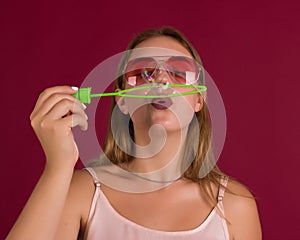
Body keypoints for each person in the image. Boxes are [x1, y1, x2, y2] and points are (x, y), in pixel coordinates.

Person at [7, 27, 262, 240]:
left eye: (178, 72)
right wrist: (58, 165)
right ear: (122, 100)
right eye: (142, 73)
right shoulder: (83, 192)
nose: (161, 81)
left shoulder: (234, 205)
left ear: (198, 101)